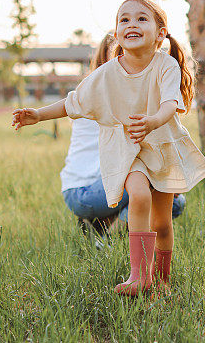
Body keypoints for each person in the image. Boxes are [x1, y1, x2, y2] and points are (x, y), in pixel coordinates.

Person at [13, 0, 205, 296]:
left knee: (162, 222)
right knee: (139, 195)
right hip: (128, 150)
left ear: (160, 33)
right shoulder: (106, 74)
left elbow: (171, 104)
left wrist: (153, 120)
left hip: (162, 145)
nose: (132, 23)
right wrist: (39, 114)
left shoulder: (166, 65)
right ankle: (139, 275)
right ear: (117, 34)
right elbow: (73, 102)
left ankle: (161, 280)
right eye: (124, 19)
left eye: (142, 19)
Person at [60, 32, 186, 236]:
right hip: (86, 191)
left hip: (89, 189)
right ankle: (107, 237)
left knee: (175, 201)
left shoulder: (101, 90)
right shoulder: (106, 93)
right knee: (159, 184)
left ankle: (100, 222)